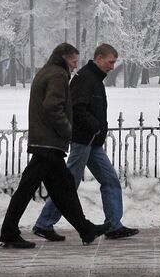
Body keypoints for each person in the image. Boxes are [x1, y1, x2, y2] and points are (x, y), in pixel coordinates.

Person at [0, 42, 101, 249]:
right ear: (63, 57)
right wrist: (67, 130)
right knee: (28, 189)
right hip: (48, 144)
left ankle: (85, 229)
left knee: (64, 188)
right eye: (73, 61)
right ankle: (9, 232)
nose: (75, 66)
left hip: (45, 142)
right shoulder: (57, 75)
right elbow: (52, 106)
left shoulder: (48, 71)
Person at [32, 43, 137, 241]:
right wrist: (95, 126)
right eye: (110, 62)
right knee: (68, 185)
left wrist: (96, 129)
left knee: (110, 180)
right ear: (98, 58)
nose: (112, 67)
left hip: (92, 142)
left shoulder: (93, 78)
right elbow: (77, 108)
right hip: (83, 141)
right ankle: (44, 223)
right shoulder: (86, 79)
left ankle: (114, 225)